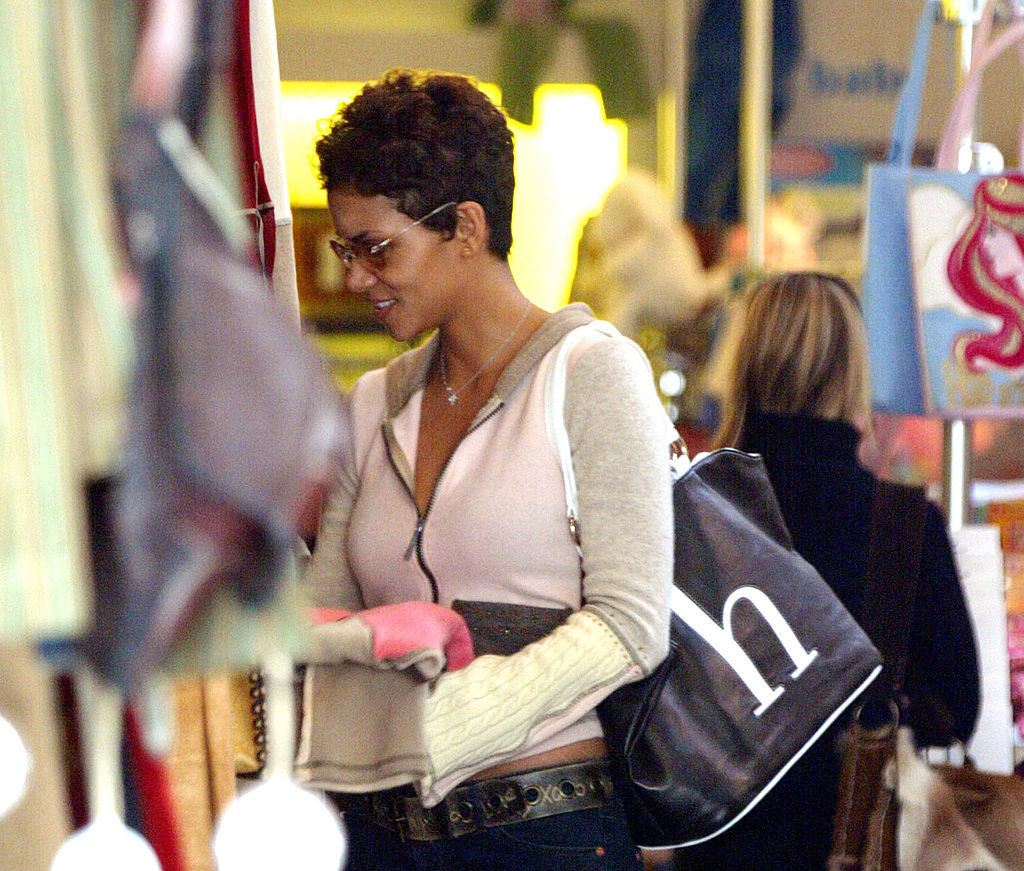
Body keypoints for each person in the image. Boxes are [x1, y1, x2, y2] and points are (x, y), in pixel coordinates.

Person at [294, 68, 673, 871]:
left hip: (545, 833)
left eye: (377, 247)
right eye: (346, 247)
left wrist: (457, 718)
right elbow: (327, 620)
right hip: (375, 836)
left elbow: (634, 620)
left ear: (466, 226)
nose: (356, 277)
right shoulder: (373, 405)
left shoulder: (592, 372)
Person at [676, 271, 981, 871]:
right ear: (854, 372)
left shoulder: (688, 510)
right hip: (859, 832)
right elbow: (957, 705)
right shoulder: (899, 519)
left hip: (718, 839)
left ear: (746, 365)